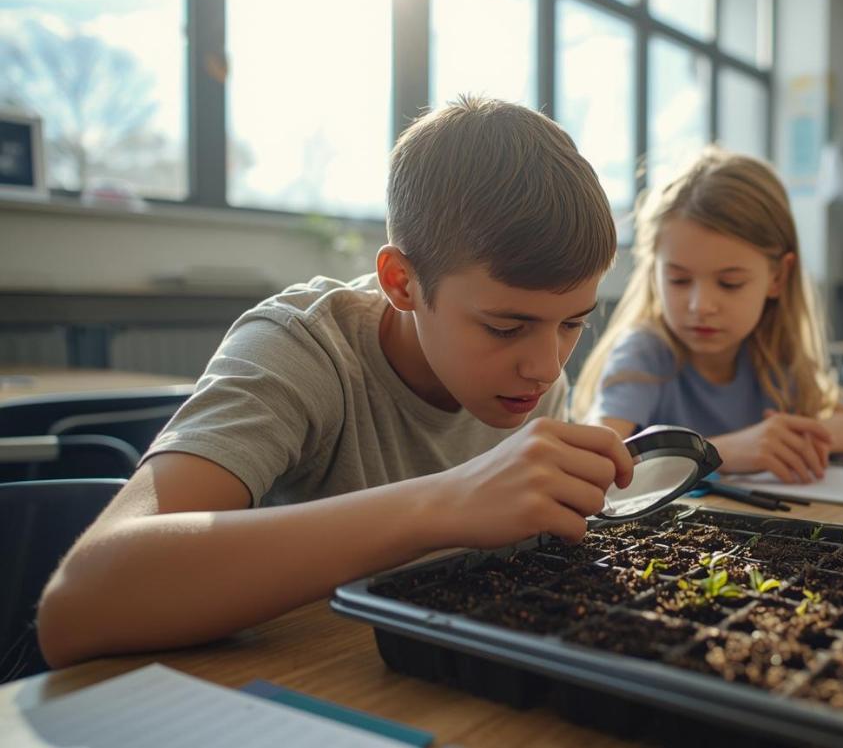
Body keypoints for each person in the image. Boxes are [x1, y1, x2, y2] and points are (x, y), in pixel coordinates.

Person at [36, 98, 636, 668]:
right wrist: (445, 502)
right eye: (506, 326)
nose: (547, 366)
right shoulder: (301, 348)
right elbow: (78, 606)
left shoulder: (524, 373)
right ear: (401, 282)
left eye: (573, 324)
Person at [573, 148, 843, 484]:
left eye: (730, 283)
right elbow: (593, 463)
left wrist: (782, 439)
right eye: (679, 280)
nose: (701, 305)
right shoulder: (645, 351)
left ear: (777, 278)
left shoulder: (771, 352)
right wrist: (725, 452)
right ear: (653, 270)